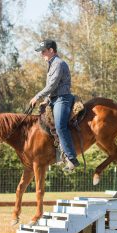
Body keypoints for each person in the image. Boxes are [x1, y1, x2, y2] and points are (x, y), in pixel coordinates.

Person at [29, 39, 79, 172]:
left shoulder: (58, 63)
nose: (42, 54)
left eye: (44, 51)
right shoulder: (51, 65)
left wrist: (37, 97)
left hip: (62, 99)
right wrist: (45, 99)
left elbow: (52, 85)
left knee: (60, 126)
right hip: (53, 99)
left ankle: (71, 158)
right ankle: (57, 154)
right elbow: (50, 87)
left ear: (51, 50)